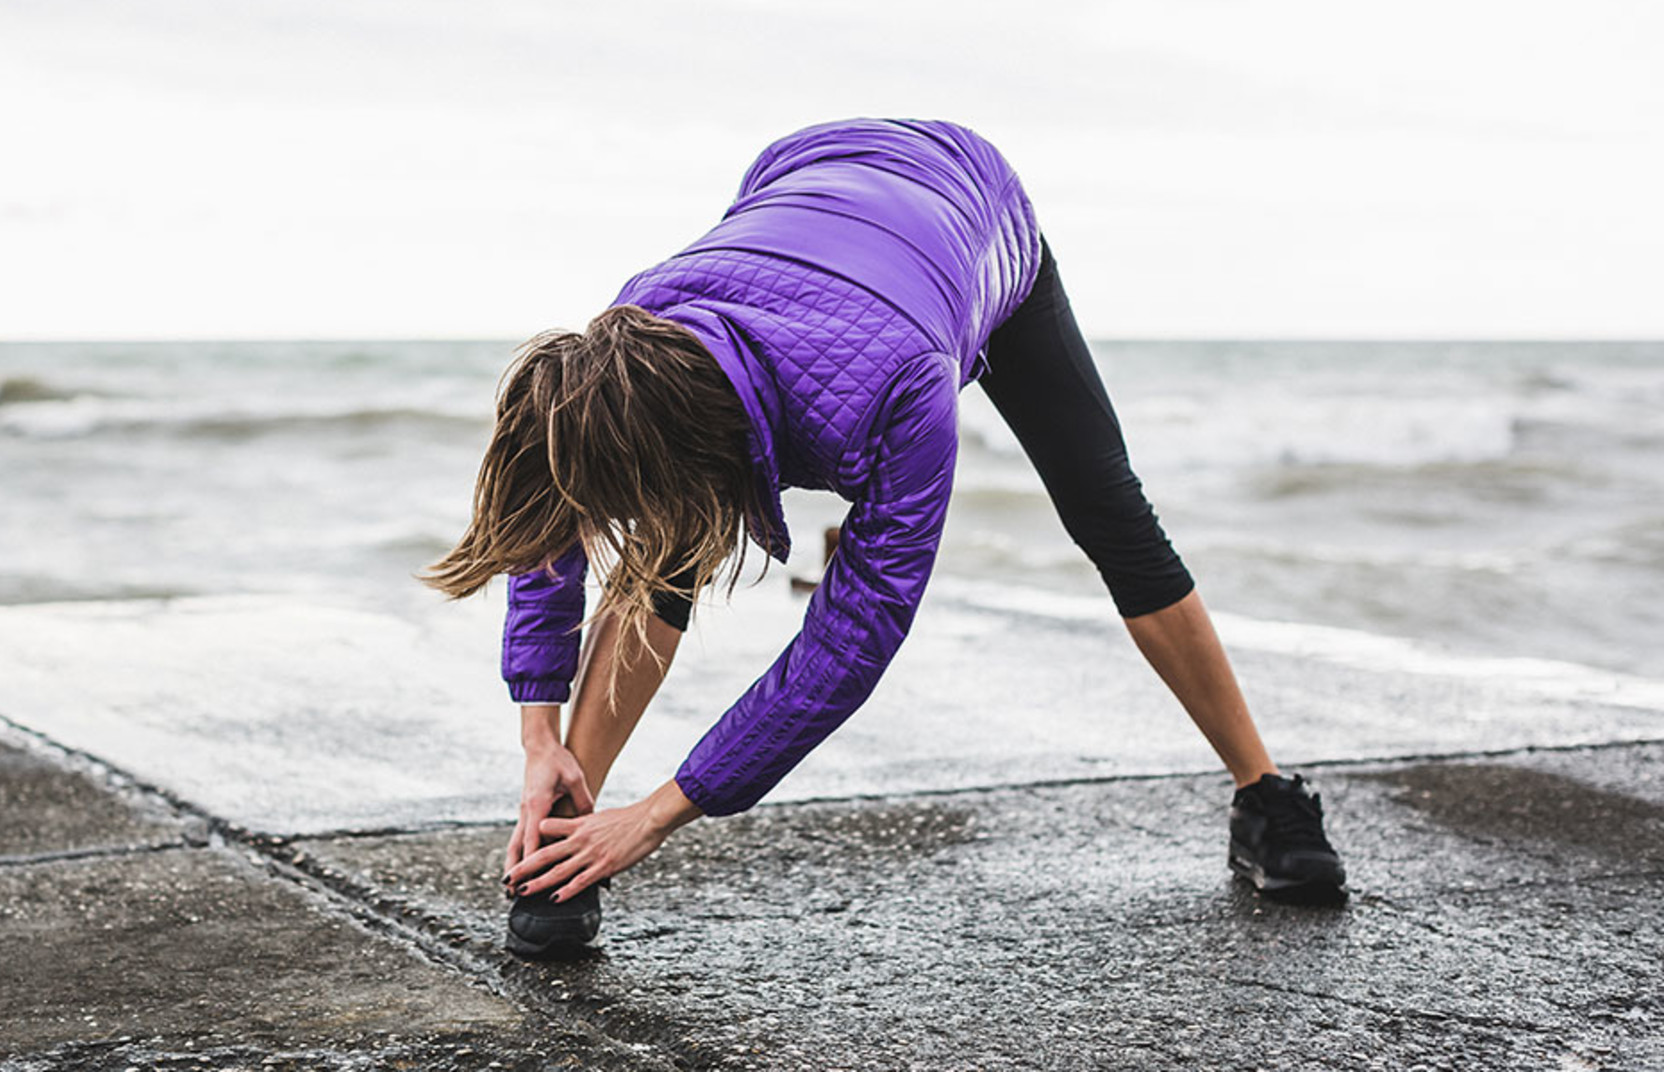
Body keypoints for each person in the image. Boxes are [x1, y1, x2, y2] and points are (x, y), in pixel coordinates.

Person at [422, 118, 1346, 959]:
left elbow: (853, 635)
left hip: (972, 211)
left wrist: (661, 815)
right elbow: (544, 527)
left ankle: (1265, 794)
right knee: (667, 552)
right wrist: (538, 736)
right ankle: (569, 825)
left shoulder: (906, 389)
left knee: (1108, 510)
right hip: (799, 177)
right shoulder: (629, 336)